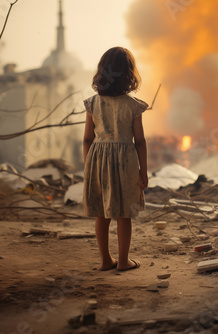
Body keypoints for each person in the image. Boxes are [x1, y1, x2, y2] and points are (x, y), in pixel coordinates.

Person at [82, 47, 148, 271]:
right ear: (129, 74)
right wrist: (144, 171)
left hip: (98, 161)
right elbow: (139, 141)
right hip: (126, 162)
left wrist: (88, 167)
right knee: (124, 213)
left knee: (102, 213)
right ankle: (123, 261)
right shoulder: (133, 106)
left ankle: (104, 261)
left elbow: (87, 139)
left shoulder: (92, 104)